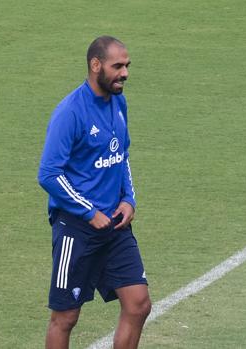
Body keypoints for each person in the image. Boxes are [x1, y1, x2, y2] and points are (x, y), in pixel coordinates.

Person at [38, 36, 151, 349]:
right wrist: (88, 212)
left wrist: (129, 199)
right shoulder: (70, 112)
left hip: (115, 224)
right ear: (96, 65)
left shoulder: (119, 103)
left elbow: (121, 155)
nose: (125, 73)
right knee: (66, 318)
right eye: (118, 66)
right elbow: (48, 174)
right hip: (76, 228)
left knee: (138, 303)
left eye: (127, 65)